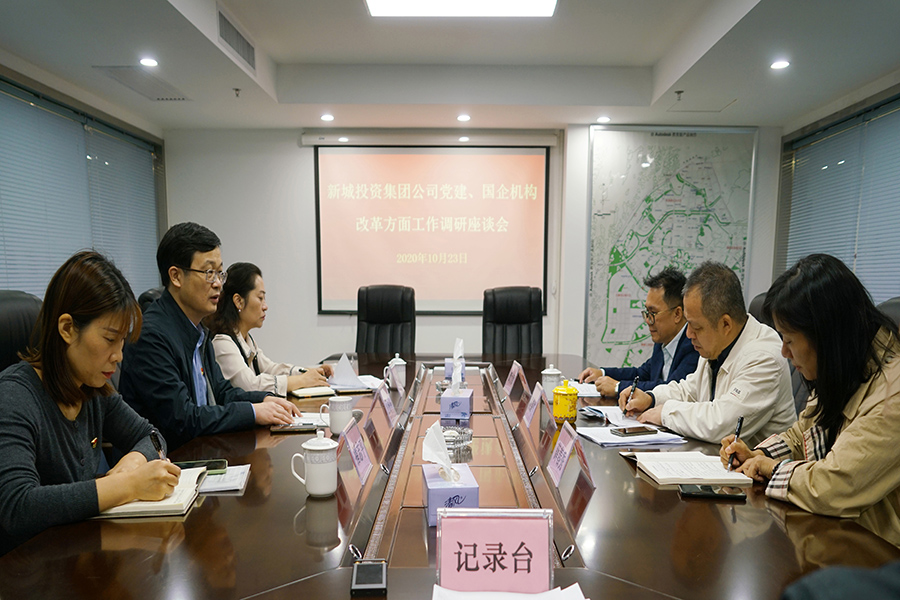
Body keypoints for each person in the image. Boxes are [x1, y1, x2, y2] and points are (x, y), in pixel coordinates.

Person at [0, 251, 181, 556]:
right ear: (67, 329)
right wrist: (128, 486)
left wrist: (130, 465)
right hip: (28, 567)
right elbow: (18, 506)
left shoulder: (93, 390)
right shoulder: (14, 396)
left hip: (78, 554)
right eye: (110, 339)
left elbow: (151, 436)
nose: (119, 356)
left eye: (122, 341)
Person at [721, 254, 900, 546]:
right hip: (834, 536)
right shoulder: (847, 367)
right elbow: (802, 433)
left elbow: (835, 485)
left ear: (825, 336)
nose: (784, 352)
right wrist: (759, 455)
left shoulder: (893, 393)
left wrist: (771, 468)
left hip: (877, 554)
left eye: (789, 340)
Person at [120, 222, 299, 451]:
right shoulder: (151, 336)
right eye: (208, 273)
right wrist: (253, 412)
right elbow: (183, 419)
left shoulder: (198, 330)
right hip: (169, 462)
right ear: (176, 276)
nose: (217, 284)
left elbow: (222, 392)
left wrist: (263, 399)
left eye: (219, 273)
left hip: (200, 454)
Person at [620, 261, 796, 446]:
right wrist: (651, 398)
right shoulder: (715, 346)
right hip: (716, 458)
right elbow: (690, 391)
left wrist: (665, 413)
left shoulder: (764, 356)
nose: (689, 334)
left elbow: (722, 423)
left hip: (757, 464)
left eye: (696, 327)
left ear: (725, 324)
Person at [205, 262, 332, 395]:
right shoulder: (222, 343)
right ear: (238, 301)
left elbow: (270, 369)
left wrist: (309, 372)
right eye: (260, 298)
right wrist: (302, 380)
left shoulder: (246, 339)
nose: (265, 306)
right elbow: (250, 385)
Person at [579, 267, 699, 395]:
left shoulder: (693, 345)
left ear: (677, 314)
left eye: (653, 313)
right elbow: (642, 374)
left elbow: (671, 389)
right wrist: (602, 373)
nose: (647, 320)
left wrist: (618, 387)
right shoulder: (663, 340)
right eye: (647, 312)